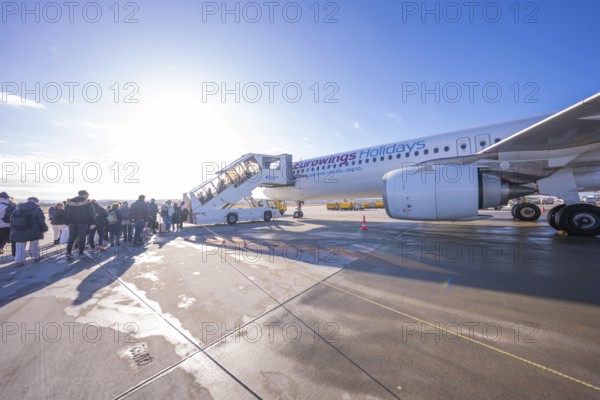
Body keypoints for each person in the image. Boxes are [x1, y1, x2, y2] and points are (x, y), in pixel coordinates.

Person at [9, 196, 48, 266]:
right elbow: (41, 221)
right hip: (34, 230)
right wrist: (44, 229)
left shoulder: (17, 208)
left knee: (20, 246)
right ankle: (36, 257)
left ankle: (19, 262)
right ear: (36, 201)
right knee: (34, 244)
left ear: (27, 200)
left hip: (18, 229)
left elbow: (11, 220)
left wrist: (11, 229)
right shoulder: (38, 209)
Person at [64, 190, 96, 260]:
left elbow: (65, 213)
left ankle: (68, 253)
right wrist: (93, 222)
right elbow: (91, 213)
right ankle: (80, 253)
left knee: (71, 237)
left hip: (72, 223)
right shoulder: (87, 202)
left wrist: (67, 222)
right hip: (83, 223)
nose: (88, 196)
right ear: (84, 194)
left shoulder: (69, 203)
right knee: (82, 238)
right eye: (88, 194)